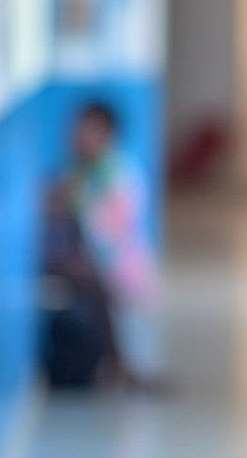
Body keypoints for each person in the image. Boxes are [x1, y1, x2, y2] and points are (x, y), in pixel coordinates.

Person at [42, 101, 162, 390]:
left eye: (89, 130)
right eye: (78, 129)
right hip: (101, 259)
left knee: (93, 282)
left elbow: (97, 226)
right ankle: (117, 364)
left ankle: (118, 364)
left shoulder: (115, 173)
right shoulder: (83, 169)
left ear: (108, 134)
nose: (79, 136)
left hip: (119, 262)